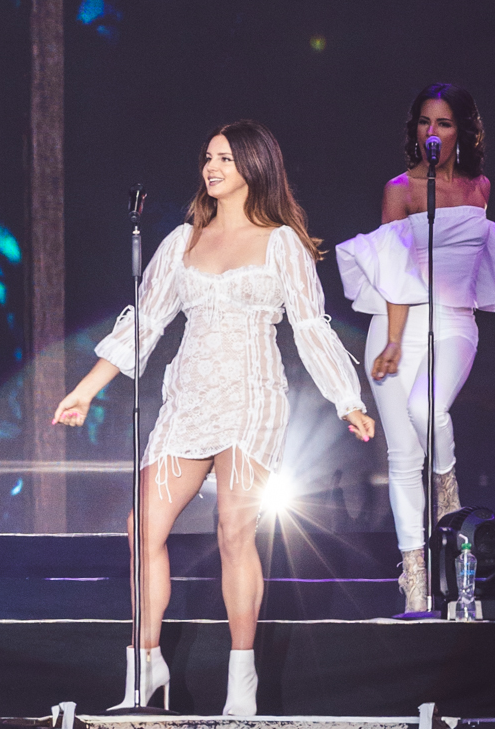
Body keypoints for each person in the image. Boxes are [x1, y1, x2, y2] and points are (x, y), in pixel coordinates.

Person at [54, 120, 373, 716]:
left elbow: (310, 325)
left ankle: (242, 678)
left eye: (225, 158)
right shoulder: (182, 240)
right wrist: (87, 390)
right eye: (208, 157)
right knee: (141, 528)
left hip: (252, 396)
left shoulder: (281, 242)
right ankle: (145, 664)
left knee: (234, 531)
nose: (212, 167)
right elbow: (145, 321)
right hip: (189, 397)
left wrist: (346, 399)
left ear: (254, 166)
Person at [337, 83, 495, 614]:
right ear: (416, 131)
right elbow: (392, 269)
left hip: (453, 322)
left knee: (425, 409)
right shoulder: (400, 189)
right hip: (393, 324)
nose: (434, 132)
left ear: (464, 130)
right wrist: (394, 341)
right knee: (403, 456)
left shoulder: (480, 188)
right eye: (425, 122)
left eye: (445, 122)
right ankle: (414, 581)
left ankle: (447, 492)